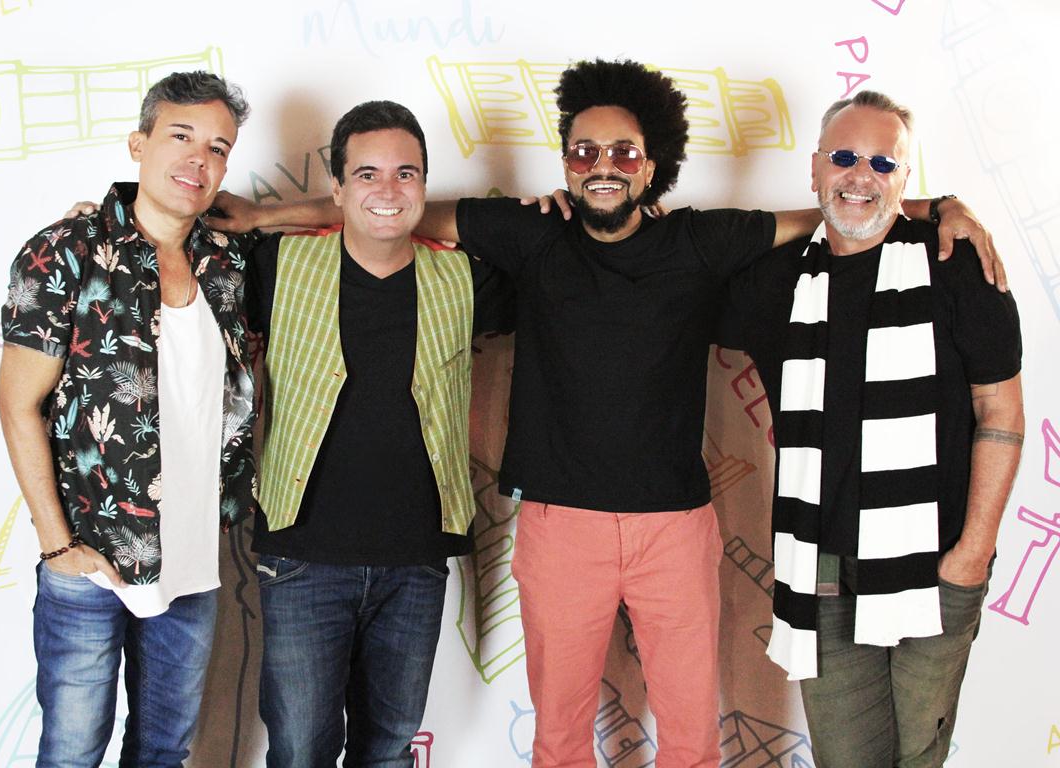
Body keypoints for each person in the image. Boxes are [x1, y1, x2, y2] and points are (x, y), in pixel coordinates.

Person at [207, 61, 1000, 768]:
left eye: (623, 152)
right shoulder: (535, 235)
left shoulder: (700, 241)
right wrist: (266, 218)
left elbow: (835, 209)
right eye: (584, 152)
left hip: (675, 529)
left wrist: (934, 205)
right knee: (558, 743)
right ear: (566, 163)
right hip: (561, 530)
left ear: (653, 163)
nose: (603, 167)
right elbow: (398, 210)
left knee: (691, 743)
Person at [719, 90, 1023, 767]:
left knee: (918, 758)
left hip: (936, 563)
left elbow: (1001, 412)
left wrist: (971, 555)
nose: (862, 175)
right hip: (821, 571)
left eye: (883, 163)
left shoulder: (956, 263)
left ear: (905, 178)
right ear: (814, 168)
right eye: (844, 158)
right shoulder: (773, 281)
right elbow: (681, 258)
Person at [0, 71, 257, 767]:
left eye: (218, 148)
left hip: (192, 562)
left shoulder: (227, 263)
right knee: (72, 751)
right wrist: (57, 546)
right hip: (90, 560)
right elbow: (17, 403)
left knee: (163, 751)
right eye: (181, 136)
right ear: (139, 144)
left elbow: (365, 220)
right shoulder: (68, 249)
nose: (198, 159)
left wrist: (263, 214)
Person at [246, 100, 512, 767]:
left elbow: (541, 244)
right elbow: (166, 243)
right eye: (366, 174)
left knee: (389, 751)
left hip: (414, 561)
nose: (388, 190)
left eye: (406, 174)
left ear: (425, 184)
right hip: (302, 556)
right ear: (335, 189)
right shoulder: (275, 265)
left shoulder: (467, 278)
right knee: (300, 752)